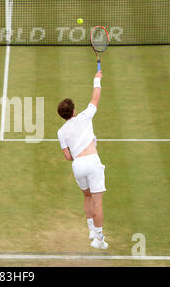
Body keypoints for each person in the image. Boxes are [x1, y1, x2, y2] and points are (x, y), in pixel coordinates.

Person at [57, 69, 108, 249]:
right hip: (92, 162)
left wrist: (77, 154)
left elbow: (67, 156)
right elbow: (95, 98)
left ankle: (91, 230)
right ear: (74, 110)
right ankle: (99, 240)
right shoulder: (85, 116)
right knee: (97, 201)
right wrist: (97, 78)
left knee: (87, 197)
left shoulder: (61, 132)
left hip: (78, 165)